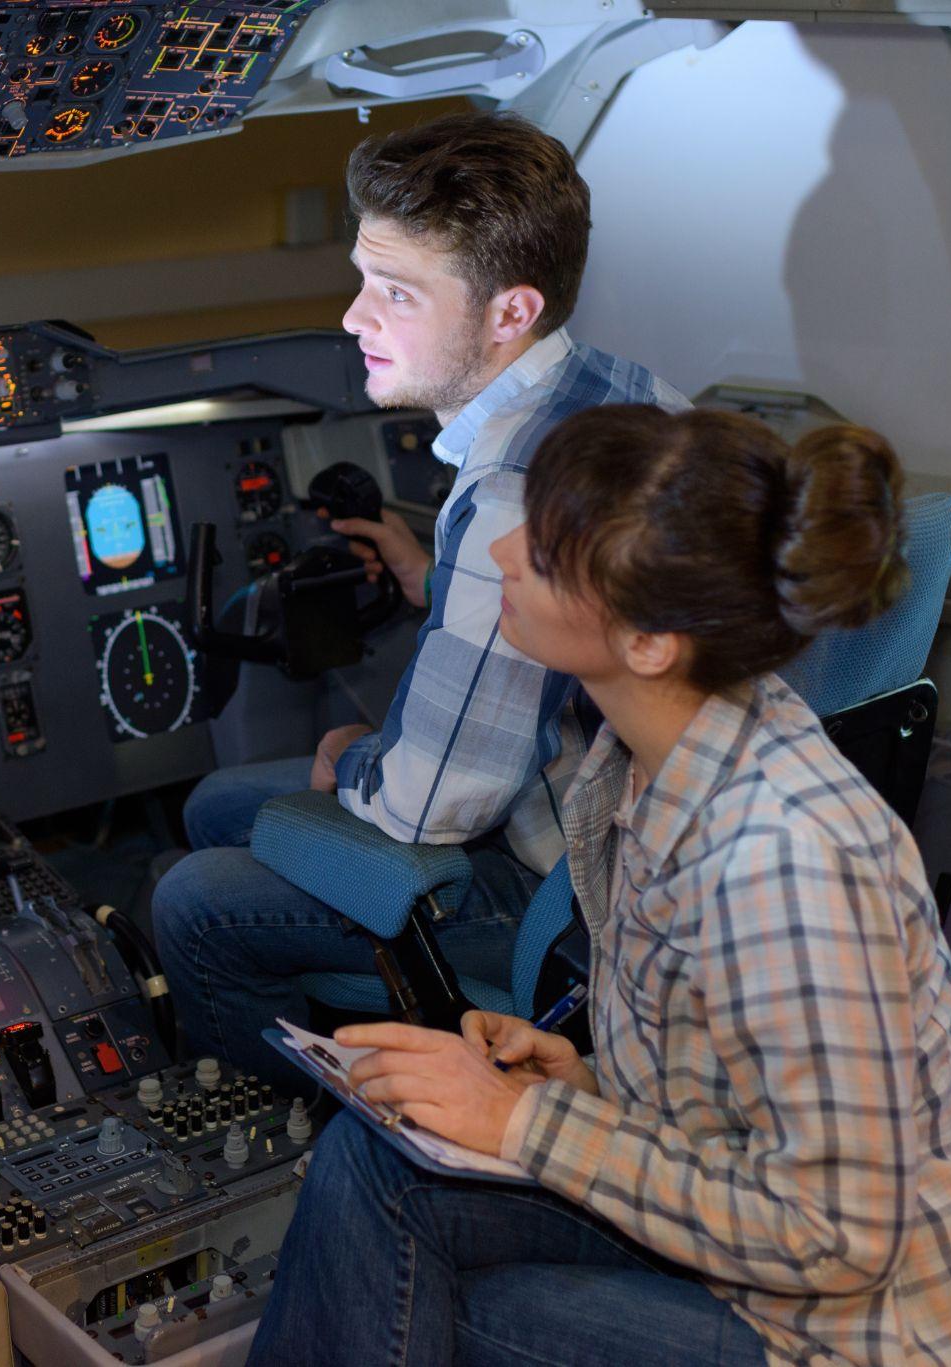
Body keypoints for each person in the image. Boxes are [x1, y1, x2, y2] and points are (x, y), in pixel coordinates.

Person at [249, 406, 951, 1366]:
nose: (504, 549)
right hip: (739, 1265)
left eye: (550, 546)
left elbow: (838, 1232)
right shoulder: (638, 759)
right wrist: (582, 1083)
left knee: (444, 1296)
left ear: (651, 641)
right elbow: (728, 1098)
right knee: (375, 1160)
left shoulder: (779, 858)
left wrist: (525, 1121)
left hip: (851, 1335)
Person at [154, 111, 686, 1088]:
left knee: (194, 893)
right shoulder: (624, 390)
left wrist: (342, 759)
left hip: (555, 890)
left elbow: (431, 804)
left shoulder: (513, 495)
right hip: (629, 836)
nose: (354, 317)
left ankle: (289, 1139)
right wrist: (426, 577)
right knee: (227, 799)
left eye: (394, 293)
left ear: (508, 313)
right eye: (363, 278)